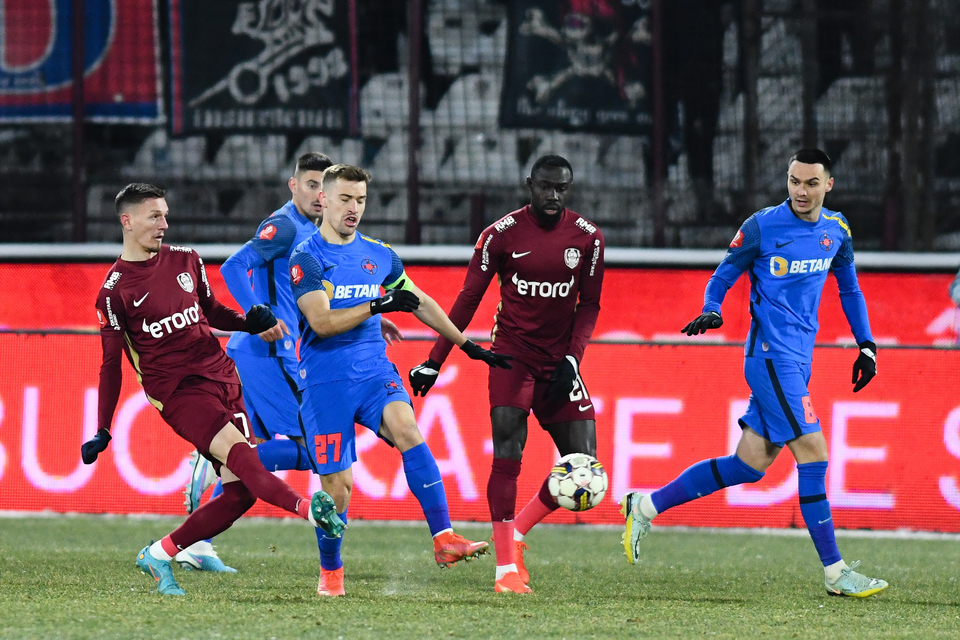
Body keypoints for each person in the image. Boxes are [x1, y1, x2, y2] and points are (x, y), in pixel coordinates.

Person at [621, 148, 888, 598]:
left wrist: (867, 344)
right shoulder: (762, 226)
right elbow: (724, 274)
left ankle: (645, 505)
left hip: (800, 359)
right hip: (769, 357)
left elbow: (850, 287)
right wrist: (711, 308)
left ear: (828, 185)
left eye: (809, 183)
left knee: (749, 466)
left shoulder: (837, 230)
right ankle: (835, 572)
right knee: (814, 453)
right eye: (793, 181)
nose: (800, 191)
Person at [81, 183, 345, 596]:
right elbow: (110, 366)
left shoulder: (187, 260)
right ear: (127, 221)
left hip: (223, 374)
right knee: (243, 458)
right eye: (154, 217)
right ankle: (307, 508)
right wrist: (103, 428)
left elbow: (211, 310)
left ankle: (159, 553)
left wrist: (247, 320)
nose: (164, 225)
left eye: (166, 215)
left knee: (240, 494)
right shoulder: (115, 293)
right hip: (179, 391)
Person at [288, 164, 513, 597]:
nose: (354, 208)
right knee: (339, 490)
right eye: (345, 199)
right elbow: (320, 322)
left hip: (373, 372)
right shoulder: (307, 258)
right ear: (324, 200)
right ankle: (331, 573)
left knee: (409, 430)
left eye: (361, 200)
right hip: (325, 382)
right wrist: (377, 305)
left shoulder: (380, 254)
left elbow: (417, 301)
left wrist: (465, 345)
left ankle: (444, 539)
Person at [178, 152, 403, 581]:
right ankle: (216, 460)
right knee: (316, 449)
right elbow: (232, 266)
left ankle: (196, 541)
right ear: (293, 185)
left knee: (270, 458)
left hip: (268, 354)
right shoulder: (284, 226)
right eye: (312, 184)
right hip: (271, 354)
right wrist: (256, 314)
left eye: (326, 187)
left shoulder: (317, 236)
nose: (320, 194)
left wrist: (375, 314)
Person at [409, 154, 605, 594]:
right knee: (508, 455)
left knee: (585, 469)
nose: (553, 196)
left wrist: (574, 358)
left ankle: (516, 531)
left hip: (560, 363)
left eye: (562, 189)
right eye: (545, 187)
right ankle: (504, 571)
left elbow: (589, 305)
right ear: (529, 184)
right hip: (511, 357)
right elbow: (467, 299)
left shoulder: (589, 238)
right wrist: (434, 360)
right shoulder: (499, 235)